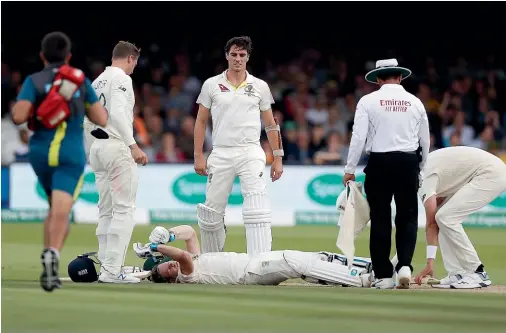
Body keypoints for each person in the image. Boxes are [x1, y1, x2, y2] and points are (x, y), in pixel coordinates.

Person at [11, 31, 108, 292]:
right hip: (69, 153)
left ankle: (50, 251)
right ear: (68, 56)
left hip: (40, 153)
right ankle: (52, 252)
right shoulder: (79, 80)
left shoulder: (34, 80)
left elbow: (19, 116)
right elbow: (101, 118)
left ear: (42, 56)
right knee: (61, 209)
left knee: (54, 206)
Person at [342, 59, 430, 289]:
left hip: (380, 162)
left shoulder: (368, 101)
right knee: (408, 216)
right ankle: (404, 266)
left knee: (381, 218)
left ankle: (382, 275)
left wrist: (349, 169)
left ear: (379, 79)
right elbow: (425, 141)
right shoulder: (415, 102)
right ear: (399, 77)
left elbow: (358, 138)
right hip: (408, 161)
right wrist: (421, 168)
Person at [193, 36, 284, 255]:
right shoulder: (211, 84)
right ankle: (213, 262)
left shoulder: (259, 86)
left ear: (248, 57)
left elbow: (271, 125)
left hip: (250, 151)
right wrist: (197, 155)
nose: (237, 59)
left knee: (257, 207)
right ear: (226, 56)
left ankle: (259, 262)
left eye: (242, 55)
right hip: (221, 152)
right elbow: (201, 121)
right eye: (233, 55)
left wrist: (278, 158)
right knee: (211, 212)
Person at [83, 41, 148, 284]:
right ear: (131, 58)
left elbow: (87, 121)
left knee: (106, 210)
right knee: (124, 209)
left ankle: (107, 268)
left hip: (98, 148)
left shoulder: (96, 81)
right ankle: (112, 271)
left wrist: (92, 150)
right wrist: (132, 145)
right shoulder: (121, 79)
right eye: (135, 63)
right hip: (117, 147)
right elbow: (120, 114)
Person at [132, 225, 372, 287]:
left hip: (256, 261)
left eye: (167, 264)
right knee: (294, 262)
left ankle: (370, 267)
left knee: (312, 257)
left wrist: (166, 236)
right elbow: (182, 256)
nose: (172, 265)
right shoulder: (186, 276)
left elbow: (190, 234)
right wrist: (157, 248)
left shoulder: (193, 261)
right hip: (252, 273)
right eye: (168, 270)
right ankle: (358, 279)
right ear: (171, 279)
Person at [415, 146, 506, 289]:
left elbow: (431, 223)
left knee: (446, 217)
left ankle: (477, 272)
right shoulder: (422, 168)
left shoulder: (422, 177)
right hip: (483, 172)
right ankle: (457, 273)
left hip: (491, 173)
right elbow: (435, 213)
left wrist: (429, 263)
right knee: (442, 215)